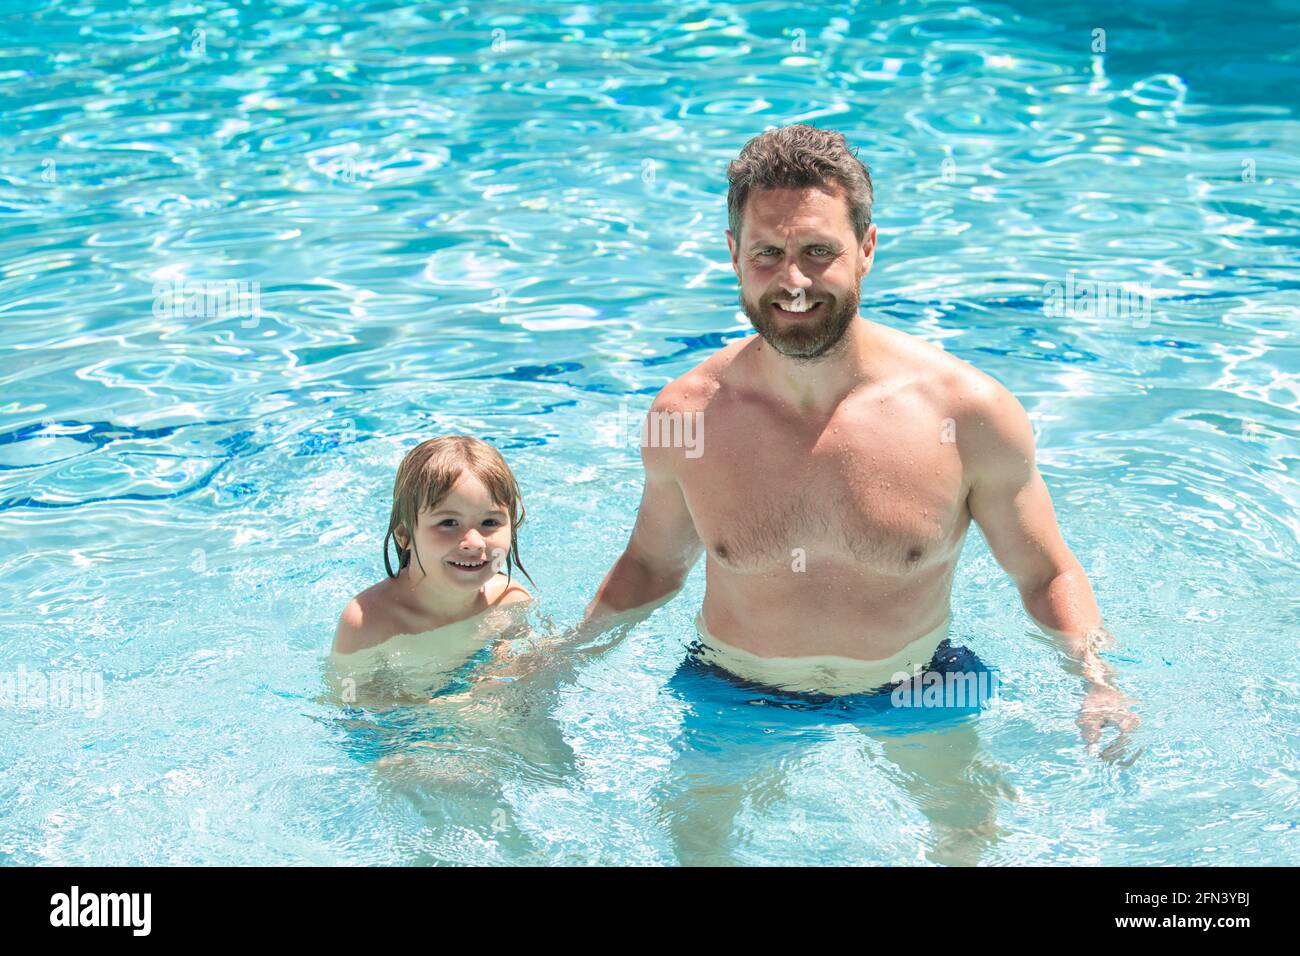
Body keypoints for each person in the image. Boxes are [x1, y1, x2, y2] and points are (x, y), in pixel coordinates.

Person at [581, 123, 1140, 863]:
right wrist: (561, 662)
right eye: (768, 254)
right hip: (736, 687)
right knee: (694, 842)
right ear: (733, 256)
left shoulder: (965, 412)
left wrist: (1097, 682)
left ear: (867, 248)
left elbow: (1044, 571)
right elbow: (652, 566)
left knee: (969, 833)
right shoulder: (687, 418)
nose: (794, 282)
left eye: (820, 251)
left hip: (914, 683)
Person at [329, 435, 533, 701]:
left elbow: (519, 680)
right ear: (405, 535)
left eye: (490, 522)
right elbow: (349, 704)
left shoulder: (509, 602)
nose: (473, 542)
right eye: (448, 523)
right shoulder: (367, 622)